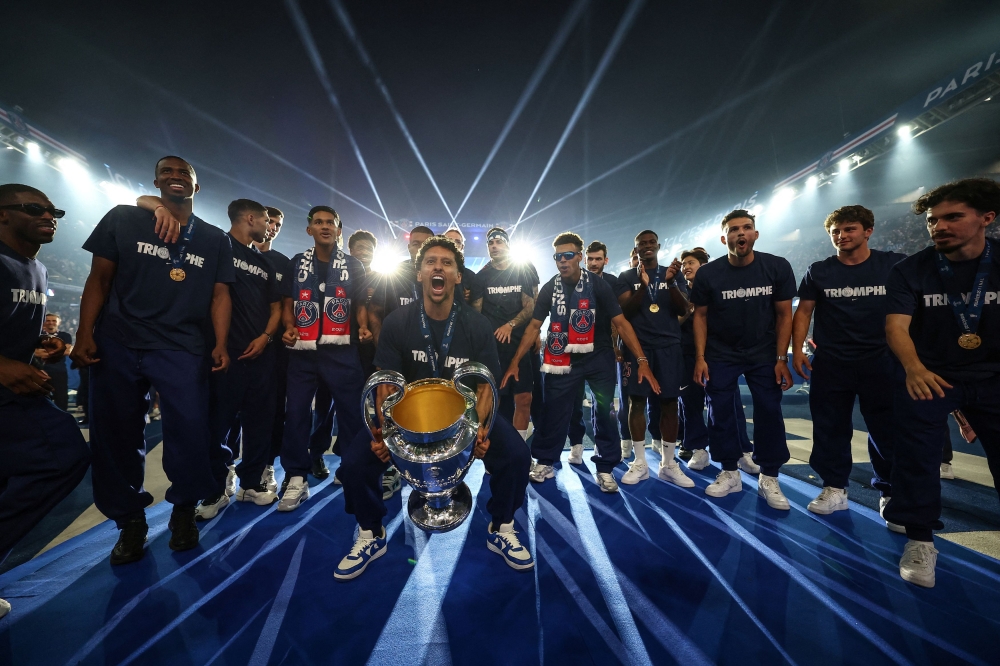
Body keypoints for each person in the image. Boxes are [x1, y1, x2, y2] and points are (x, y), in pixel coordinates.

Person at [334, 236, 532, 579]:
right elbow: (385, 382)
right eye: (430, 262)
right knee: (353, 464)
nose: (438, 267)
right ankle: (371, 532)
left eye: (447, 263)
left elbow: (485, 385)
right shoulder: (398, 322)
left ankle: (502, 526)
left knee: (516, 456)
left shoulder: (476, 324)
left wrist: (480, 431)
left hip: (464, 418)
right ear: (419, 273)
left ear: (458, 276)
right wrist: (384, 434)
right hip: (409, 418)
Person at [73, 156, 234, 563]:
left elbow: (220, 295)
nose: (176, 177)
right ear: (156, 181)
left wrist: (219, 342)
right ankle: (129, 521)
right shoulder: (124, 218)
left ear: (196, 188)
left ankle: (183, 511)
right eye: (168, 172)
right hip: (120, 340)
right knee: (115, 435)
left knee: (191, 431)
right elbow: (100, 278)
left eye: (185, 174)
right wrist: (83, 333)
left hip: (182, 343)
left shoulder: (215, 238)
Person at [884, 177, 1000, 588]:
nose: (939, 227)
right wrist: (913, 368)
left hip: (994, 375)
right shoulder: (910, 269)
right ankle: (919, 539)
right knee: (917, 460)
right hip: (931, 375)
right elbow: (896, 326)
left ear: (987, 218)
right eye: (933, 220)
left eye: (953, 217)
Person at [503, 232, 659, 493]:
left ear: (579, 257)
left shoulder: (598, 286)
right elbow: (533, 326)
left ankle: (605, 467)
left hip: (598, 357)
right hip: (561, 356)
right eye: (558, 257)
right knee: (553, 411)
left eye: (568, 255)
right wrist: (514, 362)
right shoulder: (549, 287)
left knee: (605, 412)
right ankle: (545, 461)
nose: (562, 261)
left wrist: (641, 360)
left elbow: (621, 322)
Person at [0, 184, 90, 618]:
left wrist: (42, 344)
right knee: (64, 456)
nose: (49, 216)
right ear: (1, 215)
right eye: (34, 209)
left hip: (17, 391)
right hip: (10, 393)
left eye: (54, 210)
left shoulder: (34, 266)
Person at [792, 205, 906, 519]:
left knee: (887, 429)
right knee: (829, 428)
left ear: (868, 230)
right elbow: (804, 311)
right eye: (836, 232)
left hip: (882, 359)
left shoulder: (894, 264)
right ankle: (834, 487)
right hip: (832, 361)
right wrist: (798, 349)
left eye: (849, 229)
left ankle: (891, 490)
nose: (841, 236)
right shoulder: (819, 270)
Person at [691, 209, 796, 508]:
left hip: (764, 352)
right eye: (734, 229)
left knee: (769, 410)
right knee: (720, 412)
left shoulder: (776, 266)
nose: (741, 233)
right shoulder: (709, 273)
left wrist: (781, 357)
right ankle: (729, 471)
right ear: (724, 237)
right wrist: (700, 357)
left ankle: (770, 477)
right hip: (720, 353)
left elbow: (784, 314)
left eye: (747, 228)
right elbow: (699, 316)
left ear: (755, 234)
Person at [279, 206, 370, 512]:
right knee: (297, 414)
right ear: (310, 230)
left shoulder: (354, 265)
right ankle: (295, 476)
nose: (325, 226)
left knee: (351, 413)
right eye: (318, 222)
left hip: (342, 349)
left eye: (331, 222)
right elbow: (288, 302)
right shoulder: (297, 263)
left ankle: (352, 468)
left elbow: (359, 303)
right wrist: (289, 327)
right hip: (303, 351)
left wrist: (364, 326)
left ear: (339, 229)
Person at [195, 199, 282, 514]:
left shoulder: (265, 261)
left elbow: (275, 307)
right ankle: (216, 487)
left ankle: (251, 483)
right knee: (217, 424)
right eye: (265, 221)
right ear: (250, 218)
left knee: (260, 422)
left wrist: (266, 337)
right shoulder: (218, 244)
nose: (269, 228)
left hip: (261, 354)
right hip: (224, 352)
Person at [615, 231, 694, 487]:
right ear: (635, 249)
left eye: (651, 243)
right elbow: (625, 311)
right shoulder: (626, 277)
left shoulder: (672, 273)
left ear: (658, 246)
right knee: (636, 402)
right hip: (638, 349)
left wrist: (670, 284)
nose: (646, 247)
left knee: (670, 403)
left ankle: (669, 464)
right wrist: (643, 285)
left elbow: (684, 308)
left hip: (669, 346)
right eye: (641, 245)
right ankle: (640, 462)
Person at [478, 227, 538, 439]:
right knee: (496, 402)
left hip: (520, 344)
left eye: (499, 242)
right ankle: (499, 453)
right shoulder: (482, 276)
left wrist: (511, 325)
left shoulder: (522, 269)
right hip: (494, 348)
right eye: (490, 244)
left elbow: (532, 306)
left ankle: (520, 450)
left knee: (524, 399)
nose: (494, 246)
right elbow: (476, 313)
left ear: (508, 245)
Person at [564, 241, 621, 464]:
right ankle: (576, 445)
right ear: (584, 259)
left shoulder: (613, 283)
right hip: (574, 350)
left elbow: (617, 317)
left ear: (606, 260)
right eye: (591, 259)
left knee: (604, 404)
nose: (594, 263)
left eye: (599, 259)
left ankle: (603, 452)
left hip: (601, 350)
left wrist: (615, 345)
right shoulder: (570, 280)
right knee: (573, 401)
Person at [34, 313, 73, 410]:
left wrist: (43, 352)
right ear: (44, 322)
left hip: (59, 371)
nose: (51, 322)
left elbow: (67, 351)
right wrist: (59, 351)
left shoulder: (65, 335)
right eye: (48, 320)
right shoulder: (38, 336)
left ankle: (63, 421)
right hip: (40, 371)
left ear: (59, 323)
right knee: (39, 397)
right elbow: (34, 353)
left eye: (54, 320)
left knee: (61, 397)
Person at [444, 225, 485, 309]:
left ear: (462, 247)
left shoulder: (471, 277)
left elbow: (476, 309)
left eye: (457, 242)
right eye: (449, 241)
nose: (453, 244)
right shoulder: (430, 270)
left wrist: (471, 297)